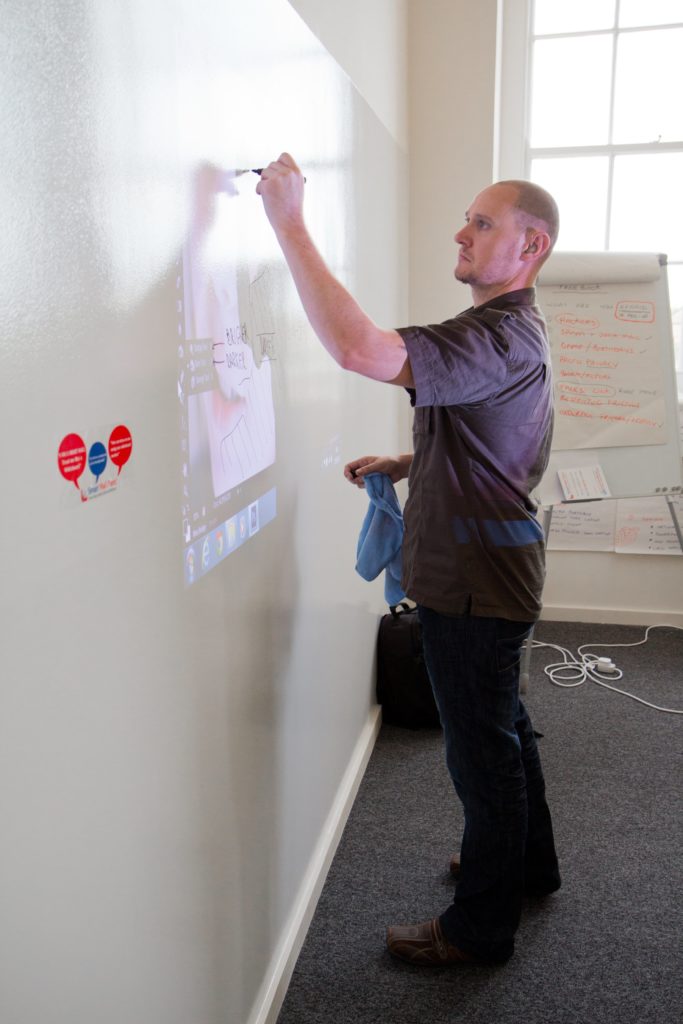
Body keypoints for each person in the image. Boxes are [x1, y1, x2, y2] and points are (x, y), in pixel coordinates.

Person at [256, 153, 561, 966]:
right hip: (491, 569)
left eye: (482, 223)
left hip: (473, 583)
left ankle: (478, 931)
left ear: (529, 246)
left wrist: (288, 222)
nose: (461, 233)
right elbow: (488, 441)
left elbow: (358, 348)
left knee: (482, 753)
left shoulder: (495, 335)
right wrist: (406, 463)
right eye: (466, 218)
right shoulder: (506, 332)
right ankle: (526, 866)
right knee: (503, 728)